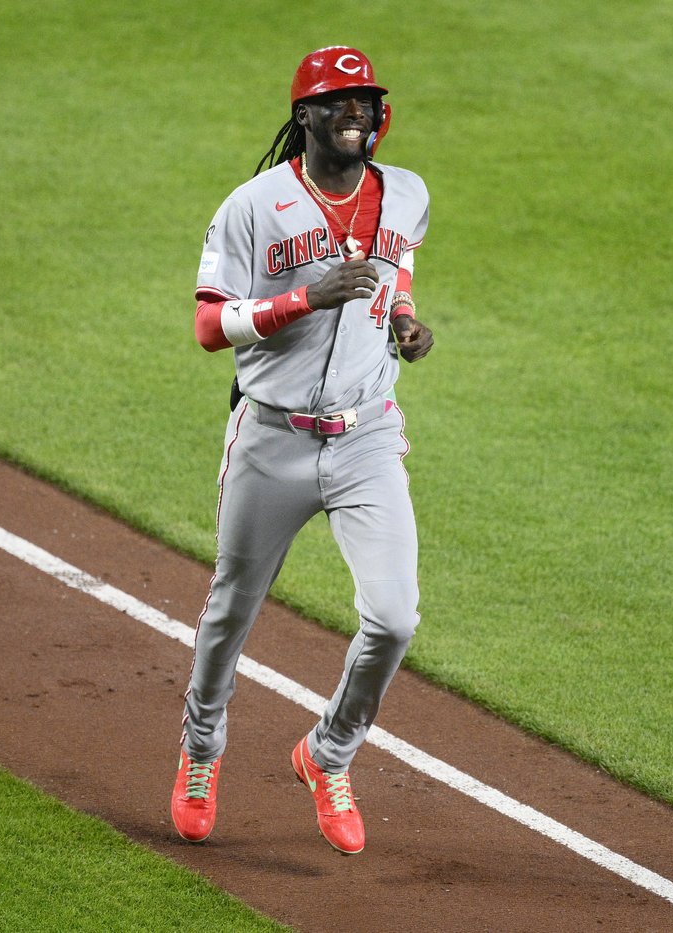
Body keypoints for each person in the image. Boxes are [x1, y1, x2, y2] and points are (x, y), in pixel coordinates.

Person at [171, 45, 434, 855]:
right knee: (231, 609)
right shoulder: (253, 207)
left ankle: (329, 753)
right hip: (273, 437)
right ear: (306, 118)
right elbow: (210, 326)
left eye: (366, 100)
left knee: (393, 618)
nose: (357, 111)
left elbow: (400, 271)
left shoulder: (408, 195)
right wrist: (301, 298)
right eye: (339, 101)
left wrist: (405, 321)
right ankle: (201, 749)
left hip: (367, 434)